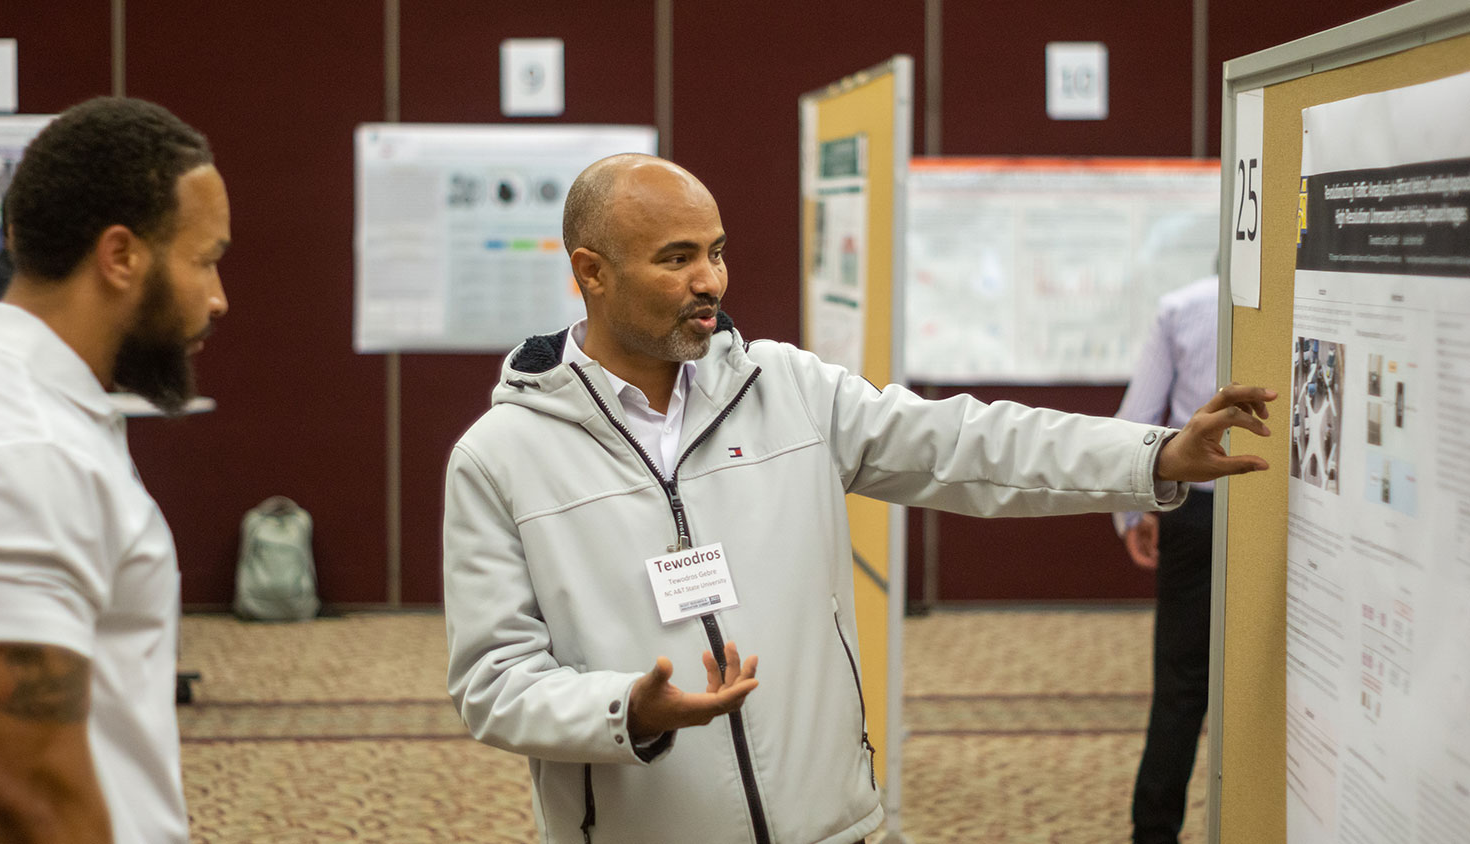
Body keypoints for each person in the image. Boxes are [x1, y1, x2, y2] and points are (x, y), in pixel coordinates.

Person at [442, 155, 1273, 844]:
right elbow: (493, 680)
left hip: (830, 826)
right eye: (676, 258)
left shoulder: (787, 389)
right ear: (590, 273)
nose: (712, 280)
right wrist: (627, 709)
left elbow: (966, 443)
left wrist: (1153, 452)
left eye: (718, 251)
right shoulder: (501, 458)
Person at [0, 97, 230, 844]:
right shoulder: (25, 446)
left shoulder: (28, 411)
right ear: (121, 257)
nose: (218, 298)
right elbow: (34, 787)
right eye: (205, 260)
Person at [1113, 274, 1219, 844]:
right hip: (1285, 513)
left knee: (1181, 682)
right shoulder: (1303, 295)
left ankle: (1154, 832)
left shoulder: (1181, 308)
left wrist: (1133, 514)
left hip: (1195, 514)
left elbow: (1137, 421)